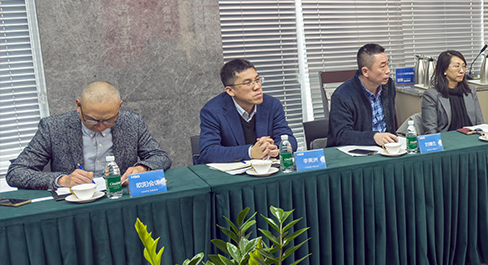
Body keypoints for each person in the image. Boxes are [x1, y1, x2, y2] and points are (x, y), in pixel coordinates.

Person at [8, 81, 171, 190]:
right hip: (75, 204)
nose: (100, 126)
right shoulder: (53, 128)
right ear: (79, 106)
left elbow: (161, 157)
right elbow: (16, 172)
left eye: (108, 120)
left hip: (119, 197)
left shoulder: (132, 122)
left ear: (119, 107)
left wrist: (142, 168)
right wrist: (62, 180)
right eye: (92, 120)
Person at [199, 59, 297, 163]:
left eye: (257, 80)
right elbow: (208, 152)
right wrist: (250, 152)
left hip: (266, 169)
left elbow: (289, 140)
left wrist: (274, 149)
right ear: (230, 91)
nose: (257, 87)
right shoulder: (213, 111)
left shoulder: (272, 105)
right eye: (248, 83)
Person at [327, 43, 398, 147]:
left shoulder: (388, 85)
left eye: (388, 64)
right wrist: (374, 137)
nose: (388, 70)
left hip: (386, 148)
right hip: (356, 151)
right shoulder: (342, 95)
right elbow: (341, 135)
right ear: (365, 71)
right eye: (383, 66)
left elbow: (390, 125)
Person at [421, 50, 486, 133]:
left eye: (464, 66)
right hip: (446, 139)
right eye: (456, 66)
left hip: (471, 137)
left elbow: (480, 124)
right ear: (444, 70)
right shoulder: (431, 95)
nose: (461, 71)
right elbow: (430, 131)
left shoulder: (470, 91)